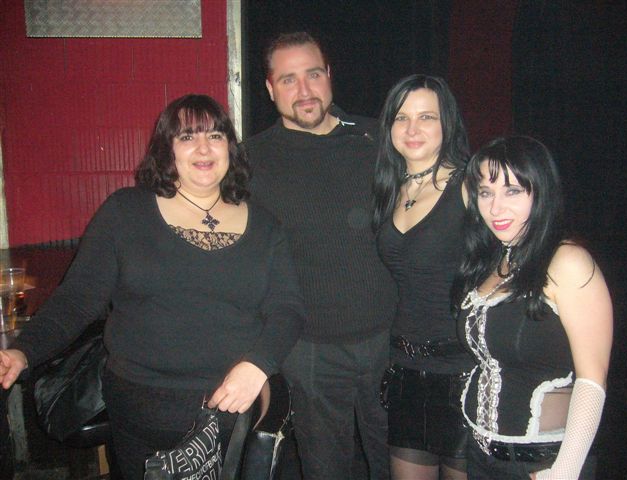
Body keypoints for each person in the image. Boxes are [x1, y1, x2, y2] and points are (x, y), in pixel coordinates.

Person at [0, 94, 304, 479]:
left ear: (230, 147)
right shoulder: (126, 212)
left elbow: (288, 310)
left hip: (234, 408)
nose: (204, 148)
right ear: (166, 149)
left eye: (215, 135)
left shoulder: (265, 226)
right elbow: (78, 299)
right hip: (143, 411)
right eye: (187, 136)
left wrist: (258, 364)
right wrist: (24, 351)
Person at [242, 32, 397, 479]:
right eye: (288, 80)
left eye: (313, 74)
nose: (304, 90)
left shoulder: (378, 139)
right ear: (270, 89)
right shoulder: (251, 159)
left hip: (389, 340)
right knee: (324, 469)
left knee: (399, 465)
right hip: (309, 349)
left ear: (329, 75)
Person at [452, 136, 612, 479]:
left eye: (512, 191)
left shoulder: (567, 262)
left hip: (542, 464)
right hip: (480, 456)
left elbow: (592, 380)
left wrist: (564, 472)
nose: (496, 208)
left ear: (540, 191)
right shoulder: (495, 260)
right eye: (486, 193)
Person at [372, 74, 473, 480]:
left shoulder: (470, 184)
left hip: (464, 369)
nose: (412, 129)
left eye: (426, 117)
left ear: (447, 123)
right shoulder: (390, 187)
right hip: (405, 370)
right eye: (402, 117)